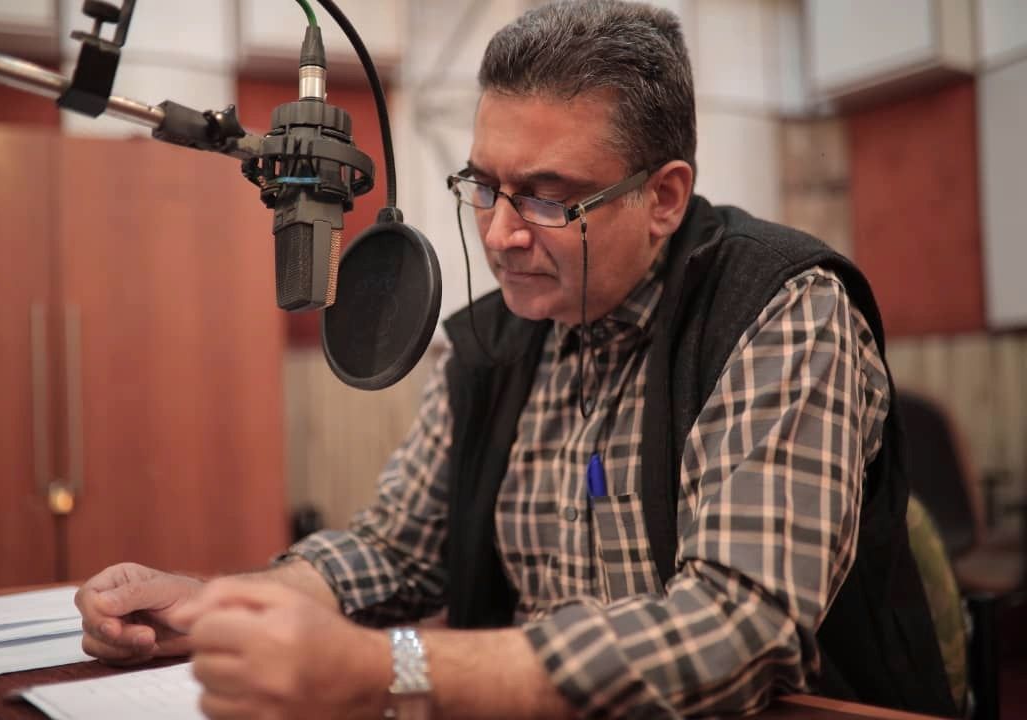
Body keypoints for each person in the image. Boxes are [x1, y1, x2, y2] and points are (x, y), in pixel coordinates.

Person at [75, 1, 957, 718]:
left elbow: (737, 629)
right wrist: (224, 608)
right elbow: (395, 551)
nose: (499, 235)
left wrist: (394, 670)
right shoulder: (491, 340)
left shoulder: (781, 307)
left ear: (663, 197)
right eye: (484, 186)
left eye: (545, 197)